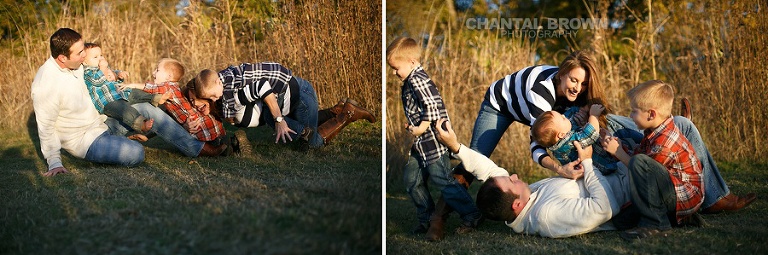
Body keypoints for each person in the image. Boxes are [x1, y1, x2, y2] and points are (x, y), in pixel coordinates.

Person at [426, 50, 610, 240]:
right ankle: (438, 218)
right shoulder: (541, 91)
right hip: (500, 105)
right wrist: (560, 169)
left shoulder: (578, 92)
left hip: (533, 108)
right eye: (573, 80)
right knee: (476, 155)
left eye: (584, 83)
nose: (578, 88)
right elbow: (537, 144)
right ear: (562, 74)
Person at [433, 118, 629, 238]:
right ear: (516, 205)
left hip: (618, 169)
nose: (515, 175)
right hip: (630, 186)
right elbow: (605, 208)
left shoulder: (522, 200)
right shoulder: (547, 216)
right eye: (512, 181)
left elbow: (488, 170)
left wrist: (455, 147)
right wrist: (587, 163)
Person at [386, 37, 482, 240]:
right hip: (420, 144)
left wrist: (421, 127)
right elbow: (422, 108)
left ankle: (472, 214)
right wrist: (413, 125)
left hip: (432, 143)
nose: (394, 73)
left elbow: (433, 106)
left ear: (411, 62)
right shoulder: (411, 79)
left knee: (443, 181)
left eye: (396, 68)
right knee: (412, 180)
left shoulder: (417, 79)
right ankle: (427, 217)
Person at [31, 28, 145, 176]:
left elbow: (103, 79)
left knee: (147, 109)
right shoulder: (45, 84)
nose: (84, 55)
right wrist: (54, 162)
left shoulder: (77, 64)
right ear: (62, 58)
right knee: (136, 153)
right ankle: (119, 142)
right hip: (85, 141)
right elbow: (46, 127)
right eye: (79, 53)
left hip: (103, 124)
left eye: (83, 48)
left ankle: (186, 146)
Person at [601, 80, 704, 241]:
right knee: (622, 221)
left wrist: (619, 153)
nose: (630, 116)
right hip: (668, 189)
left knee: (639, 163)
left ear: (651, 114)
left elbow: (643, 170)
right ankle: (677, 218)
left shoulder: (666, 141)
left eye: (634, 111)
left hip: (683, 193)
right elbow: (639, 157)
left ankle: (656, 225)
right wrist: (619, 148)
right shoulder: (653, 131)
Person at [190, 63, 375, 149]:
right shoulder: (223, 83)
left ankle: (349, 113)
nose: (213, 100)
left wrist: (279, 120)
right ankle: (337, 110)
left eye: (212, 97)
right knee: (280, 119)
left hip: (299, 95)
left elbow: (262, 86)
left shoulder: (230, 92)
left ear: (217, 83)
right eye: (209, 98)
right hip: (290, 92)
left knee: (311, 142)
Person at [120, 59, 227, 150]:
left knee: (216, 146)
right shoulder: (175, 95)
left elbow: (153, 88)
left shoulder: (169, 87)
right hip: (211, 133)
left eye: (157, 70)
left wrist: (132, 85)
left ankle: (224, 146)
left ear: (169, 76)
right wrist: (147, 136)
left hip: (208, 134)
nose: (153, 73)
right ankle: (226, 144)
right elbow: (167, 121)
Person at [82, 42, 170, 135]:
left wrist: (118, 75)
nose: (100, 59)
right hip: (108, 102)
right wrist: (103, 67)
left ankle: (156, 98)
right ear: (84, 61)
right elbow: (97, 81)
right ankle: (141, 124)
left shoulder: (103, 67)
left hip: (119, 93)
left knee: (136, 92)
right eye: (95, 57)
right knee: (125, 110)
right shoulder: (87, 72)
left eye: (101, 55)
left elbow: (112, 75)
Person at [532, 104, 605, 170]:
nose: (564, 116)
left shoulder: (561, 135)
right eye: (562, 118)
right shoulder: (568, 144)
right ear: (561, 135)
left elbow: (569, 114)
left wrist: (583, 109)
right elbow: (591, 134)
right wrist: (594, 115)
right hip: (601, 166)